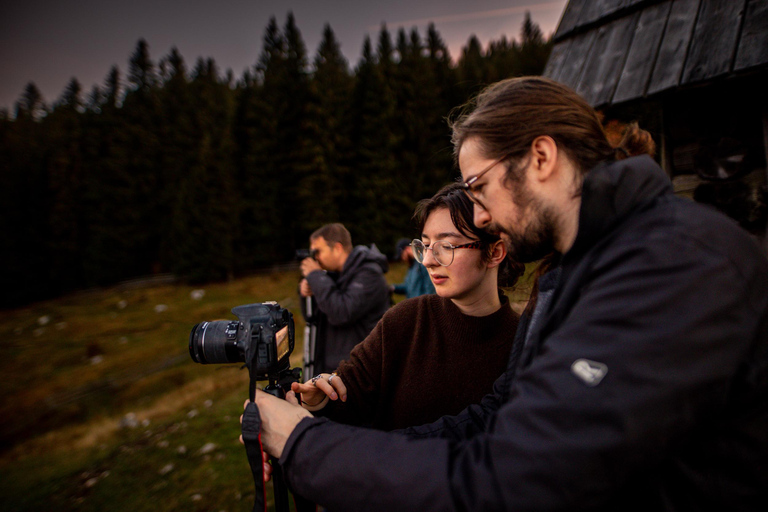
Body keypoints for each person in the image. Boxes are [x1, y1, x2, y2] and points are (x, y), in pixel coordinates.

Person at [247, 77, 768, 511]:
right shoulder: (573, 271)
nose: (478, 215)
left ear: (540, 156)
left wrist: (304, 445)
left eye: (479, 186)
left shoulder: (670, 262)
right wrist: (342, 439)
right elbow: (498, 415)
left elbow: (515, 478)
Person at [292, 183, 522, 431]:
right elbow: (351, 391)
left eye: (446, 246)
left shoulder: (524, 345)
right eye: (424, 246)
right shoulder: (406, 320)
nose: (427, 261)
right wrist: (321, 397)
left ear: (495, 252)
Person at [299, 223, 390, 374]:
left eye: (318, 251)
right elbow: (313, 316)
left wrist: (317, 277)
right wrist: (306, 290)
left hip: (360, 369)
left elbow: (342, 312)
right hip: (337, 366)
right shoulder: (335, 275)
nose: (316, 258)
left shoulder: (369, 273)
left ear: (337, 248)